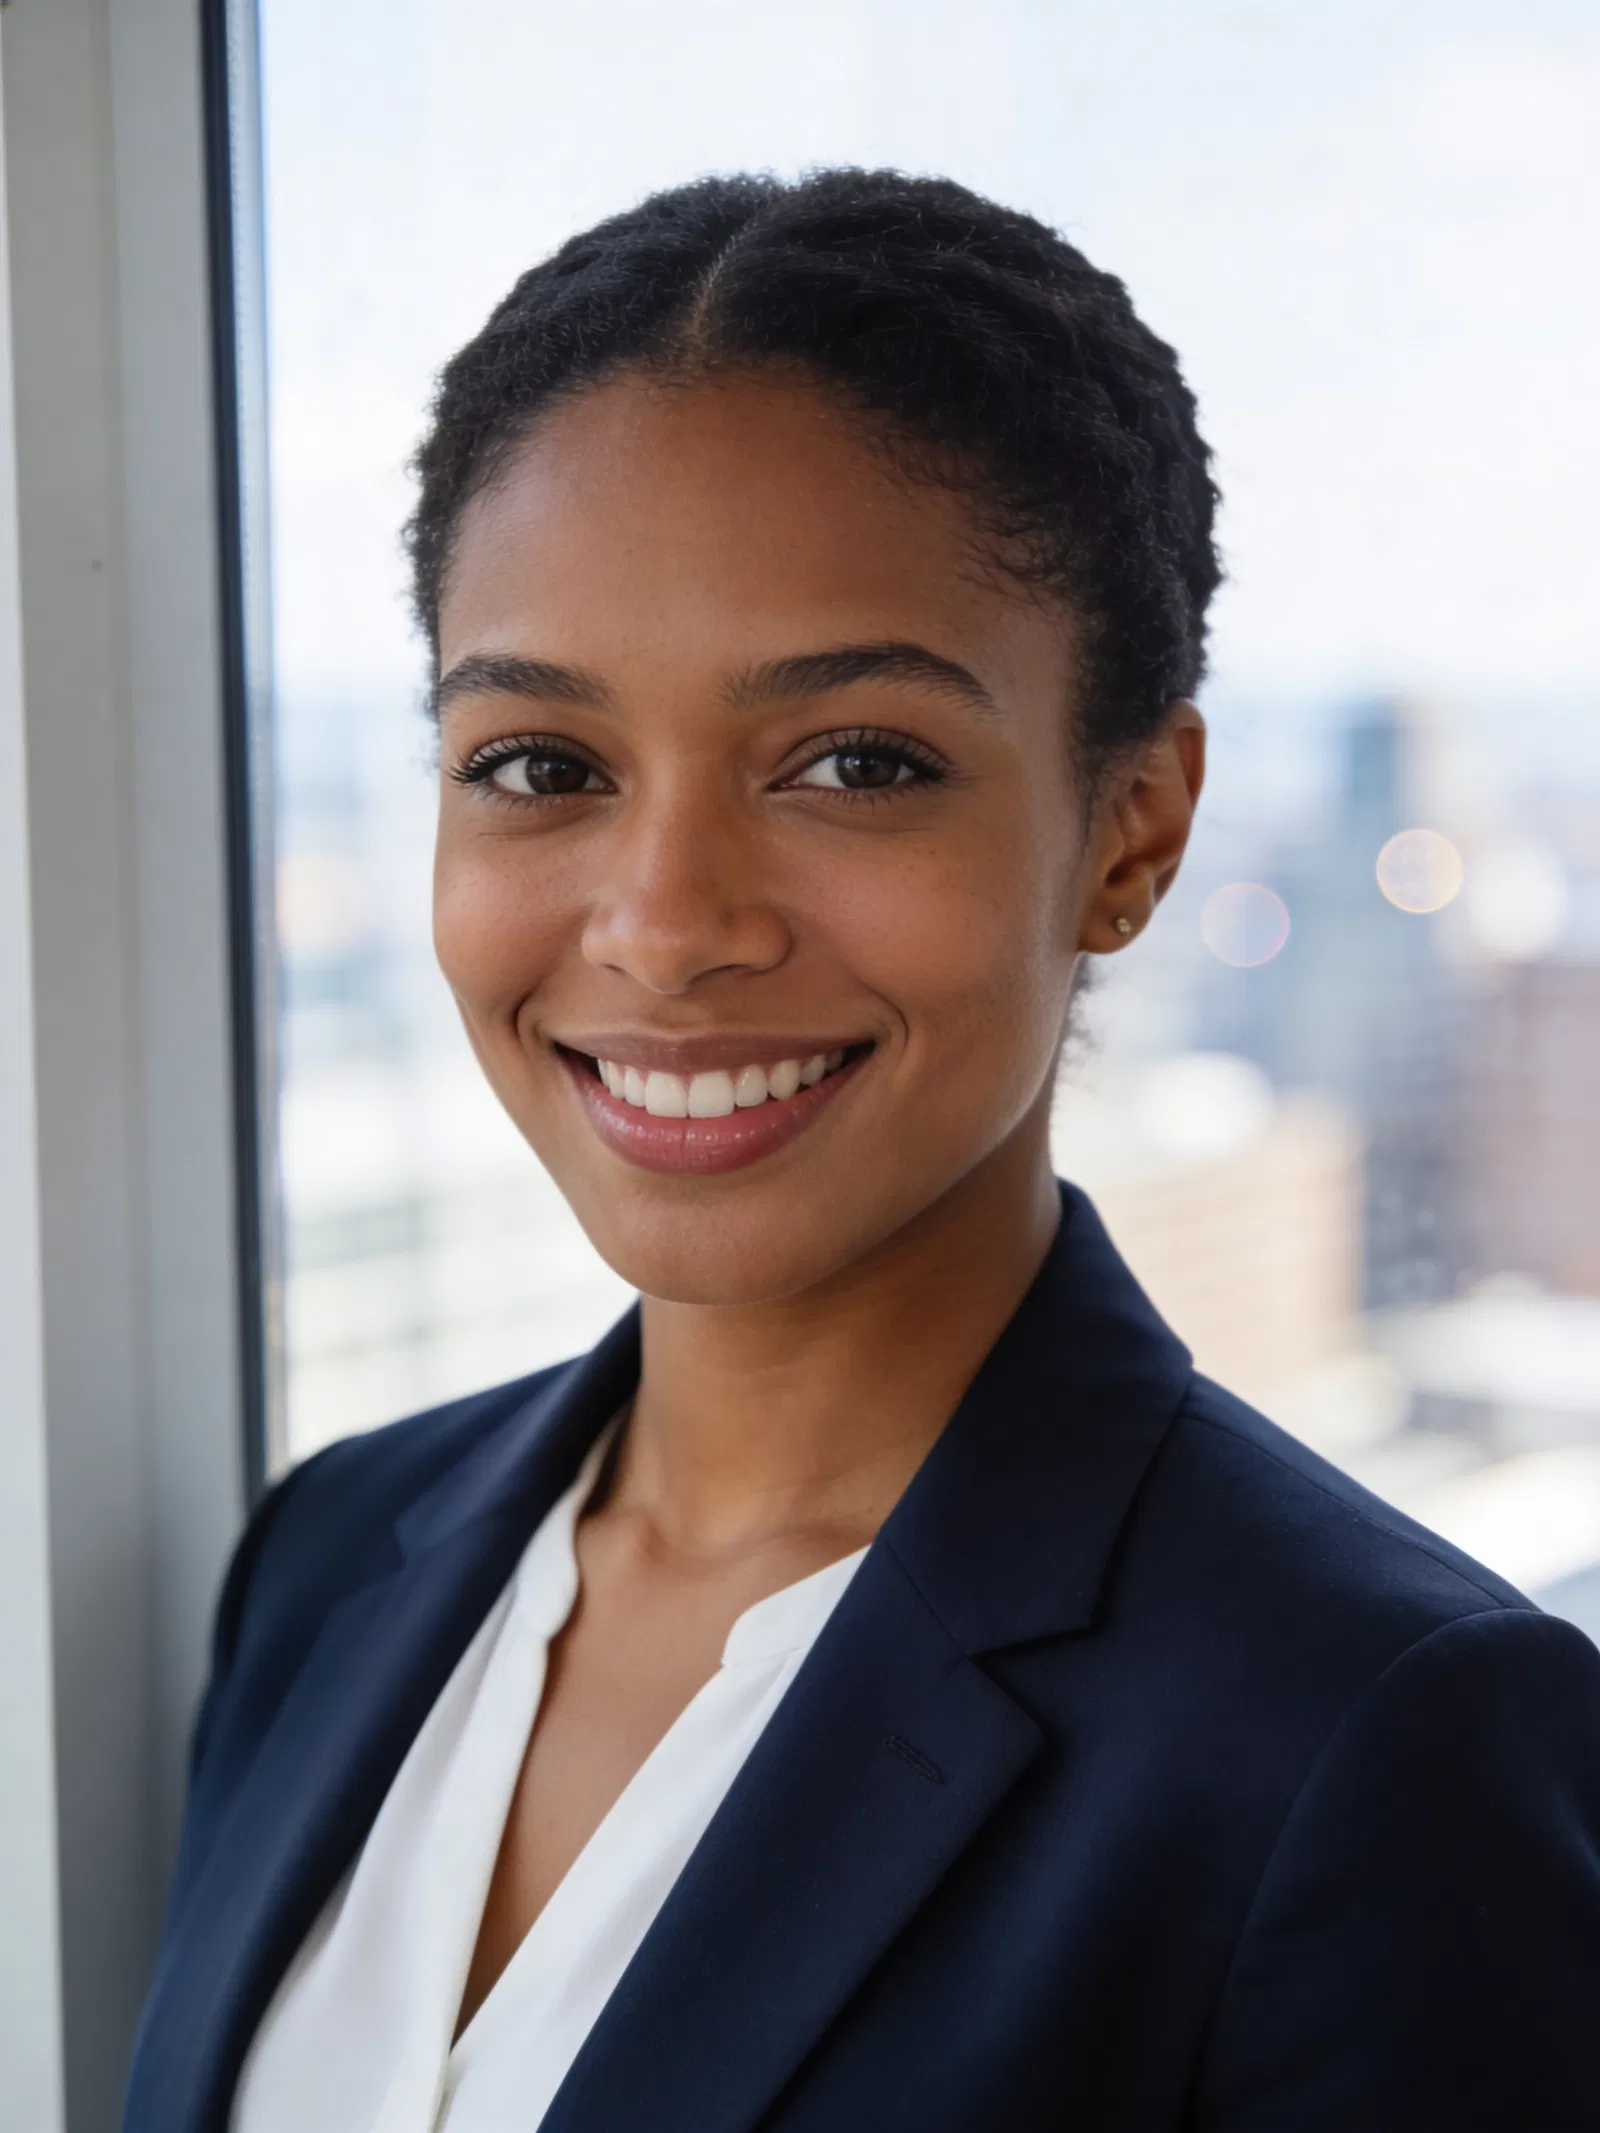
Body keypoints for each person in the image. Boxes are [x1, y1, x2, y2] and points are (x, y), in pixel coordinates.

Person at [126, 170, 1600, 2133]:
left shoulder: (1366, 1742)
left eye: (854, 763)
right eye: (539, 767)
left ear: (1133, 827)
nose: (661, 921)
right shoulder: (325, 1565)